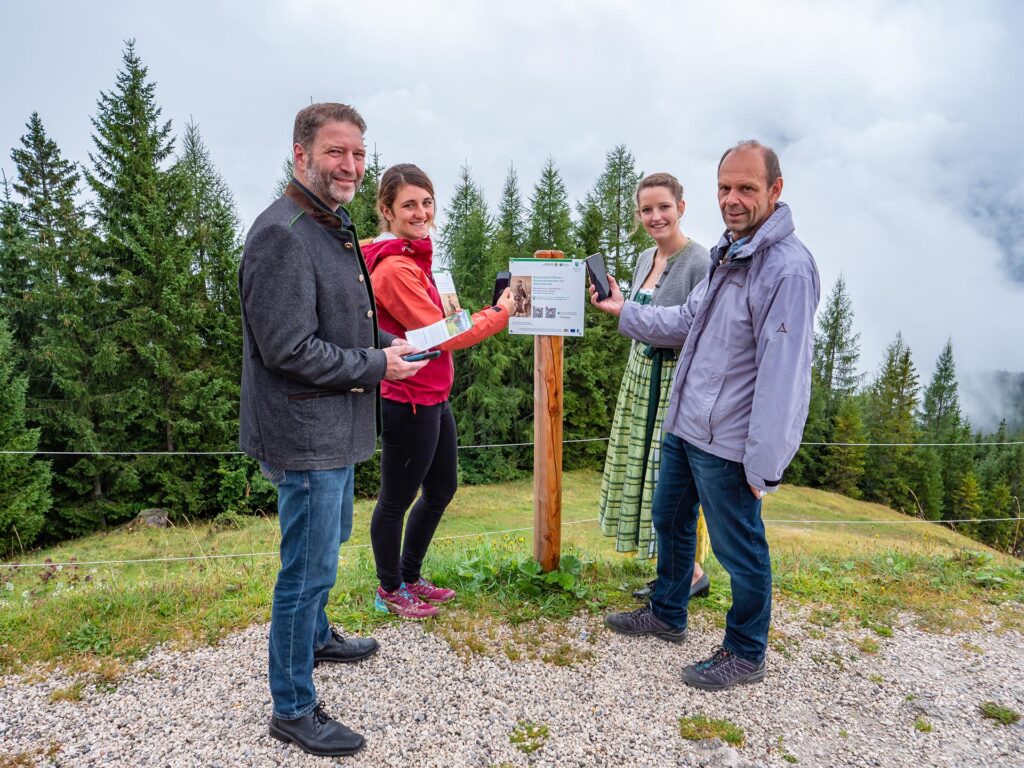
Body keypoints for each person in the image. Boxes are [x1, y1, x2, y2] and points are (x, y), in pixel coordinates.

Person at [592, 141, 820, 691]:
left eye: (746, 188)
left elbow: (785, 377)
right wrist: (625, 311)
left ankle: (745, 650)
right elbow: (682, 321)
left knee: (739, 548)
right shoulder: (729, 253)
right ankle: (668, 613)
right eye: (725, 188)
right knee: (669, 521)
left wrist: (764, 464)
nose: (732, 199)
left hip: (730, 442)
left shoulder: (787, 270)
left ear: (775, 190)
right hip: (687, 424)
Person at [239, 103, 427, 757]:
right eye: (335, 152)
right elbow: (287, 349)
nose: (350, 165)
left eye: (358, 153)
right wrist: (378, 365)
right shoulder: (282, 234)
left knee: (329, 546)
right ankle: (292, 707)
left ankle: (317, 638)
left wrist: (387, 344)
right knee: (306, 571)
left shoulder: (329, 224)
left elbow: (338, 320)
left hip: (335, 428)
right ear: (301, 156)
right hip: (304, 435)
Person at [363, 163, 515, 619]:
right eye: (409, 204)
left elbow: (435, 323)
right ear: (387, 210)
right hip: (408, 398)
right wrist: (498, 313)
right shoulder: (394, 268)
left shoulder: (415, 259)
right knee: (396, 498)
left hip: (432, 394)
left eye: (426, 202)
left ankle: (410, 576)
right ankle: (390, 588)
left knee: (442, 487)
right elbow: (441, 334)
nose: (421, 212)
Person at [596, 173, 713, 602]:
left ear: (681, 207)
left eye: (664, 206)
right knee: (645, 475)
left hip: (673, 382)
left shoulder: (700, 262)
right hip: (640, 378)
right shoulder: (645, 257)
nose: (655, 216)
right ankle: (676, 572)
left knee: (669, 481)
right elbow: (640, 319)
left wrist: (625, 312)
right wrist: (618, 304)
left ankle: (688, 573)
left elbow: (693, 330)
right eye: (646, 209)